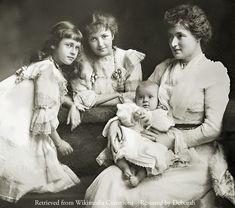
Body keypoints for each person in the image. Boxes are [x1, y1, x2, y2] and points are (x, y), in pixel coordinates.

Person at [85, 4, 233, 207]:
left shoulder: (214, 72)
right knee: (109, 181)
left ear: (198, 36)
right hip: (151, 151)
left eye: (180, 36)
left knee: (143, 196)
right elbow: (138, 104)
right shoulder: (163, 68)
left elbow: (213, 128)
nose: (173, 43)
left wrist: (172, 140)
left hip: (193, 158)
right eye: (170, 36)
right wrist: (113, 124)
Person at [0, 21, 82, 203]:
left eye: (77, 47)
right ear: (53, 44)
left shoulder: (45, 65)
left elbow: (56, 97)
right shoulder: (48, 70)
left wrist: (72, 105)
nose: (74, 51)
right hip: (15, 120)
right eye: (68, 45)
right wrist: (59, 142)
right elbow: (44, 112)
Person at [96, 81, 195, 188]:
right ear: (135, 98)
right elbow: (122, 117)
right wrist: (132, 118)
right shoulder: (132, 108)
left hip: (147, 144)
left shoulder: (159, 112)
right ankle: (126, 170)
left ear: (158, 100)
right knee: (118, 150)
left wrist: (149, 120)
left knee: (150, 160)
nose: (145, 100)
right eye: (140, 97)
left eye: (150, 97)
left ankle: (138, 178)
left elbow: (165, 125)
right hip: (132, 140)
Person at [67, 12, 144, 128]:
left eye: (104, 36)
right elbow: (82, 98)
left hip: (126, 119)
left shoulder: (128, 58)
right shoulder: (83, 63)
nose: (100, 44)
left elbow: (134, 97)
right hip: (92, 124)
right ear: (87, 41)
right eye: (93, 39)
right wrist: (119, 96)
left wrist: (96, 100)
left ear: (112, 35)